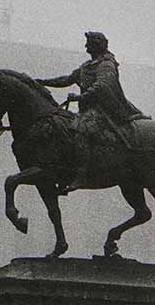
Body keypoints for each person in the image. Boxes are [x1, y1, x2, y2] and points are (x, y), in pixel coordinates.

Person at [37, 31, 146, 192]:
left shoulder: (106, 65)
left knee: (81, 129)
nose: (86, 46)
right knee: (65, 127)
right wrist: (42, 83)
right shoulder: (87, 66)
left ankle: (81, 176)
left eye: (89, 43)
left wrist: (79, 97)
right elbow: (66, 79)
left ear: (97, 45)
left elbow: (102, 86)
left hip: (105, 110)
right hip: (88, 110)